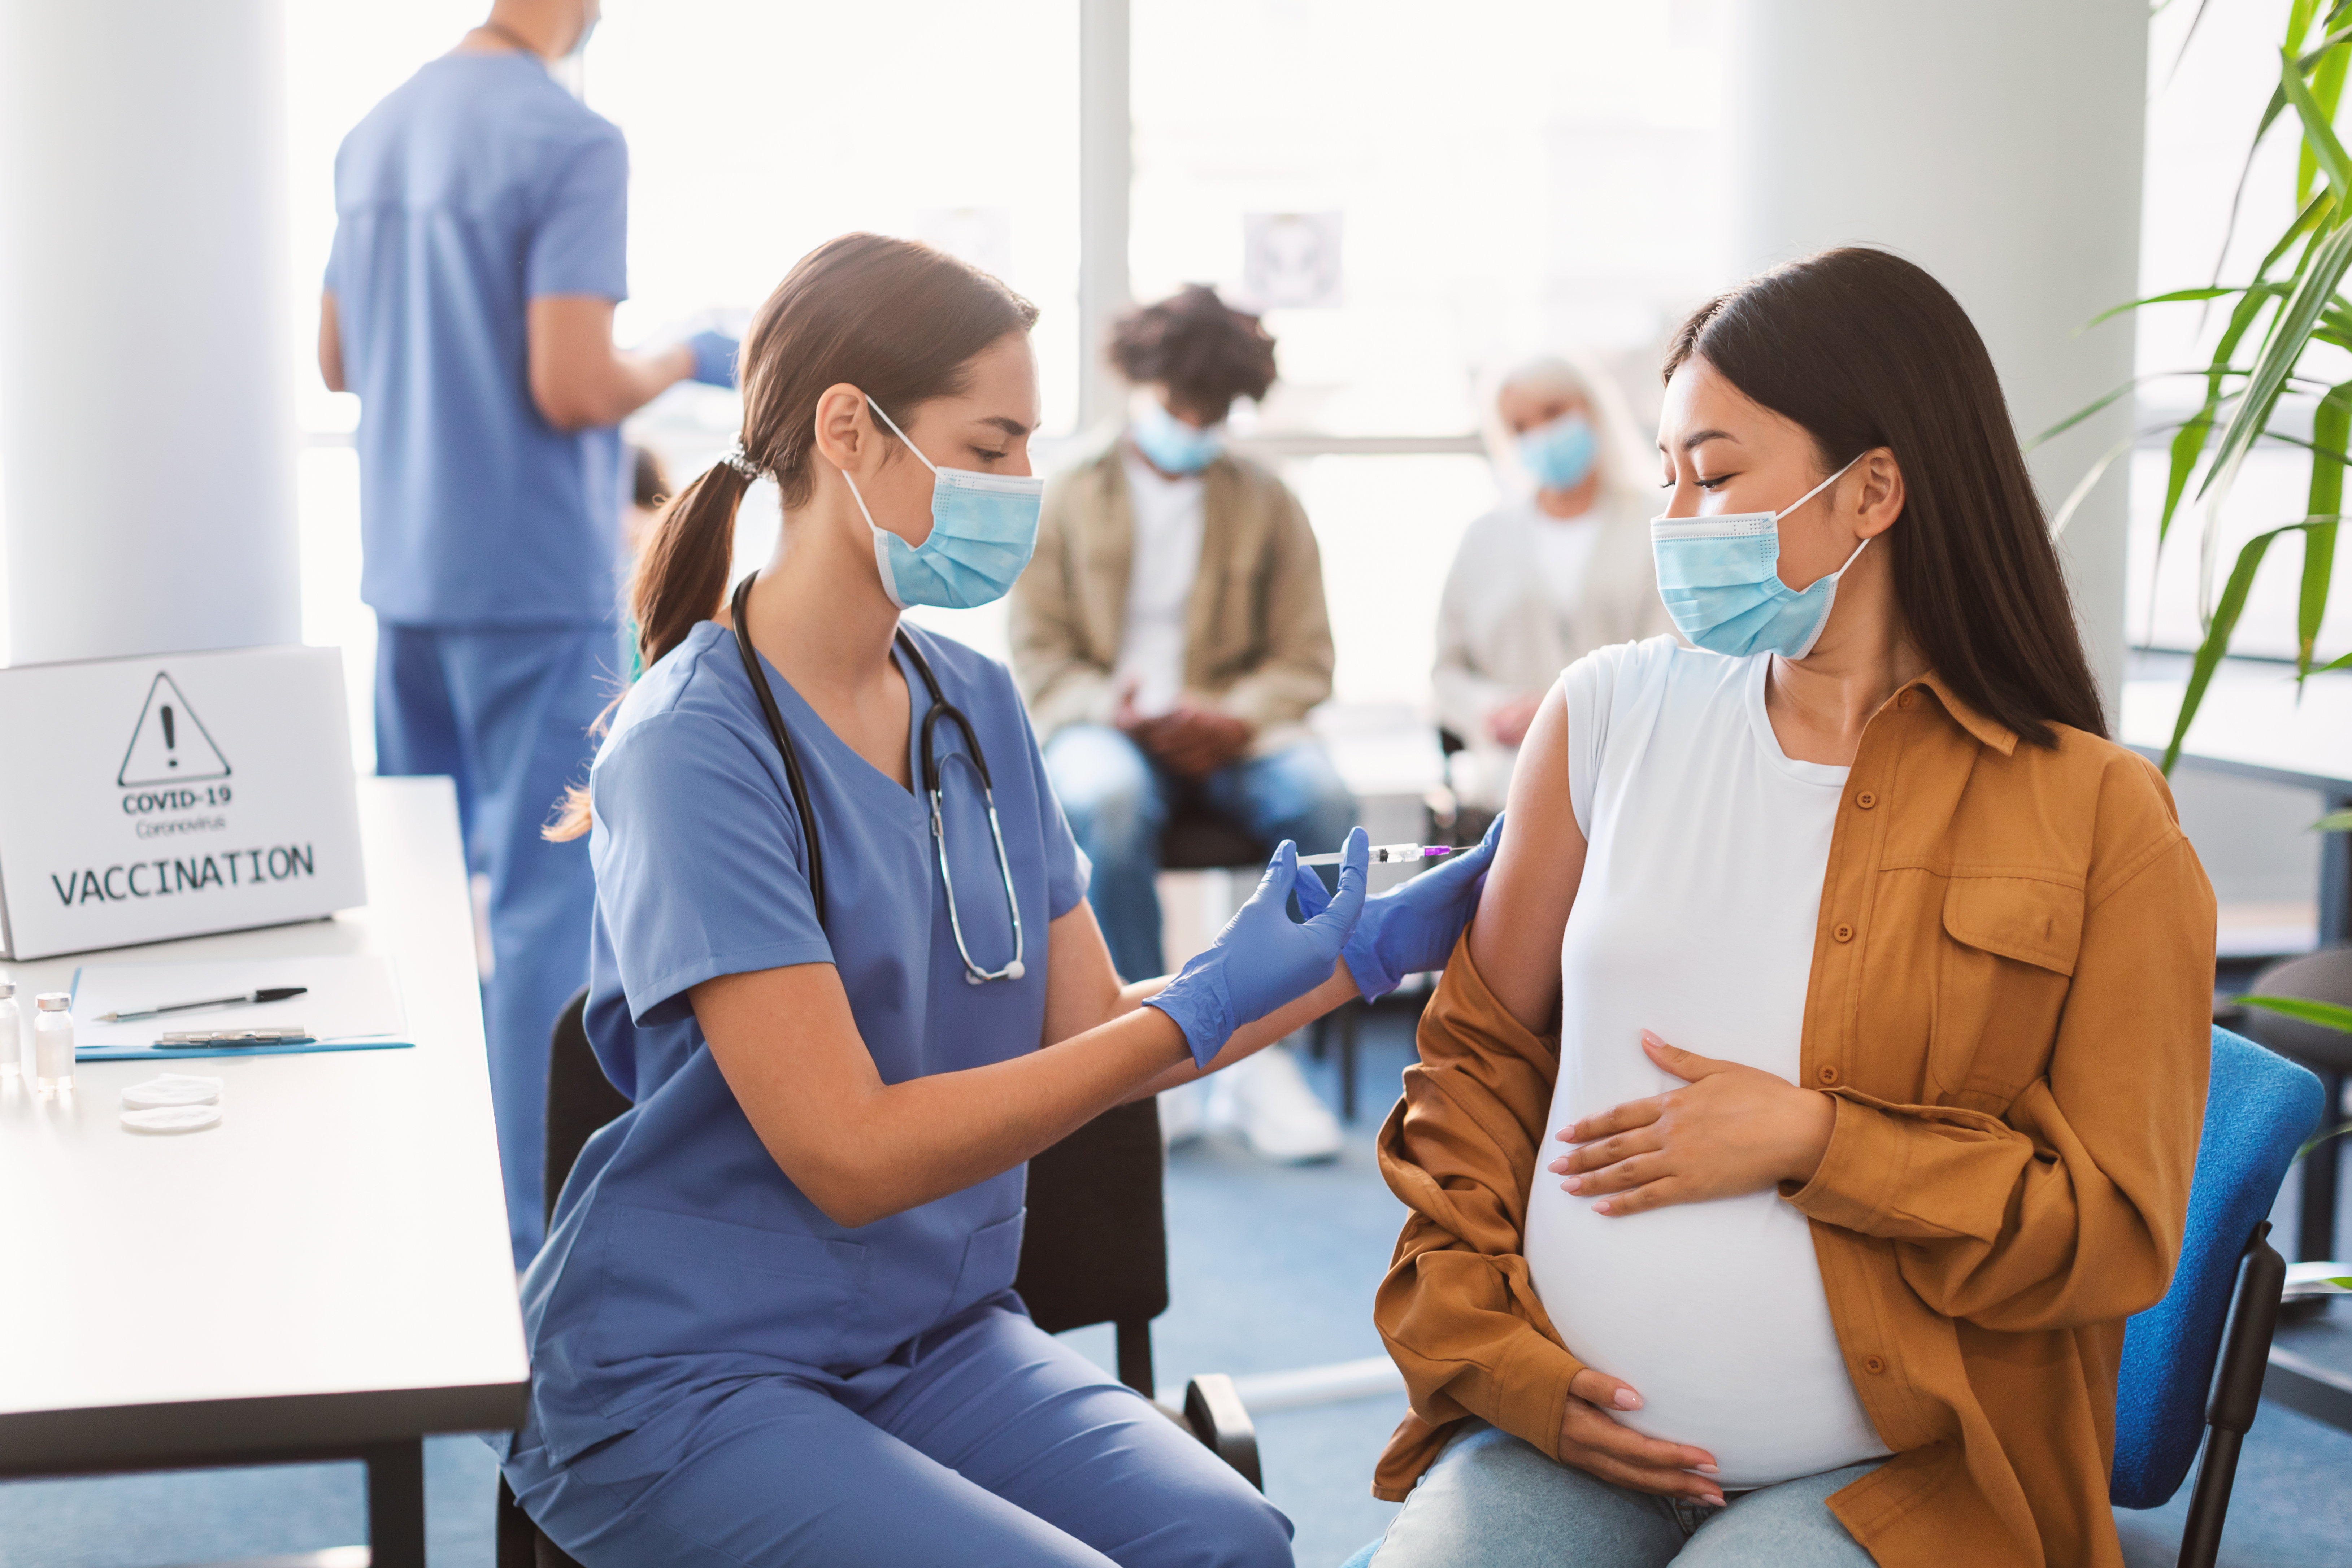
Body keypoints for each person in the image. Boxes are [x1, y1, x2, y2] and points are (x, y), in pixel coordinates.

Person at [499, 234, 1498, 1567]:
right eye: (988, 446)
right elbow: (846, 1154)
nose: (1024, 486)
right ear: (847, 431)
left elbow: (1086, 1027)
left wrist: (1338, 964)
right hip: (695, 1369)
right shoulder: (694, 741)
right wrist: (1193, 1014)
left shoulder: (972, 705)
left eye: (1030, 444)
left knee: (1230, 1545)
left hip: (932, 1335)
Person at [1364, 249, 2213, 1567]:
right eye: (1667, 477)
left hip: (1897, 1471)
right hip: (1564, 1427)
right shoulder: (1604, 717)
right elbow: (1472, 1069)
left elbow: (2109, 1230)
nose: (1677, 517)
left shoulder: (2101, 817)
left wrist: (1818, 1140)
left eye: (1712, 473)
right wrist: (1507, 1363)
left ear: (1870, 488)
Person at [317, 0, 736, 1264]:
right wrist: (679, 358)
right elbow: (571, 382)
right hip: (528, 575)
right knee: (545, 915)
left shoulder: (378, 127)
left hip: (407, 568)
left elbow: (338, 358)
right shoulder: (571, 140)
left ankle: (421, 1211)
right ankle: (521, 1245)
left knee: (427, 908)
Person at [1009, 285, 1358, 1162]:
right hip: (1106, 727)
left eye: (1212, 414)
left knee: (1322, 801)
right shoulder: (1065, 497)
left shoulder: (1269, 501)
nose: (1193, 425)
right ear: (1142, 383)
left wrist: (1234, 719)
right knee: (1106, 800)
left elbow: (1306, 658)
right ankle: (1144, 1046)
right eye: (1178, 407)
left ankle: (1266, 1053)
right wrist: (1112, 711)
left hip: (1238, 729)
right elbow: (1040, 658)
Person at [1433, 354, 1674, 819]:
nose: (1541, 436)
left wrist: (1565, 710)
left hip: (1631, 771)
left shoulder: (1659, 523)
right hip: (1512, 780)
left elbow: (1675, 655)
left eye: (1554, 413)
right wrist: (1493, 710)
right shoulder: (1484, 539)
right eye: (1520, 428)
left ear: (1592, 409)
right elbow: (1446, 673)